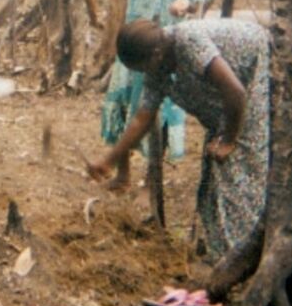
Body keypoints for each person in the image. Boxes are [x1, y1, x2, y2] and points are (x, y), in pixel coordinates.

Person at [88, 18, 270, 264]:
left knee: (238, 173)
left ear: (155, 54)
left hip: (255, 72)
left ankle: (244, 262)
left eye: (141, 67)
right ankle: (222, 255)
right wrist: (109, 161)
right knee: (213, 179)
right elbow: (143, 118)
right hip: (231, 102)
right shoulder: (158, 66)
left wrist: (229, 140)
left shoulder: (189, 41)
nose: (141, 74)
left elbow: (235, 91)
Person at [100, 0, 211, 189]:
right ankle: (123, 175)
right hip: (133, 42)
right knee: (125, 104)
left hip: (163, 49)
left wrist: (184, 4)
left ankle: (153, 176)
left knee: (154, 111)